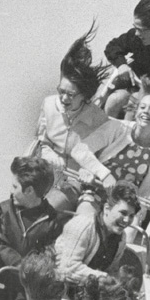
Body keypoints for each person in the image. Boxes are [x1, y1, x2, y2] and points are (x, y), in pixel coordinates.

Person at [69, 78, 150, 218]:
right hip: (97, 192)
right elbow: (79, 150)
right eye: (142, 107)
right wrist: (104, 175)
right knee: (84, 220)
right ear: (136, 110)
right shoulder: (117, 127)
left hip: (128, 206)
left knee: (129, 227)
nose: (146, 112)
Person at [36, 25, 109, 211]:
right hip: (46, 170)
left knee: (47, 208)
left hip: (74, 180)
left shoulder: (98, 119)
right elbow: (42, 143)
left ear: (84, 96)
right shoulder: (48, 104)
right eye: (61, 91)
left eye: (71, 95)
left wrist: (88, 171)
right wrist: (50, 155)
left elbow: (102, 159)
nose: (64, 99)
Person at [0, 156, 68, 300]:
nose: (11, 191)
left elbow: (48, 255)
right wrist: (21, 265)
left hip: (28, 287)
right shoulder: (4, 210)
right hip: (5, 282)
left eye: (15, 187)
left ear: (29, 190)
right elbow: (2, 245)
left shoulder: (52, 222)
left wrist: (28, 271)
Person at [55, 181, 140, 284]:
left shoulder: (121, 238)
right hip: (56, 282)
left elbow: (110, 270)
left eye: (131, 216)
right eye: (123, 213)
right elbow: (66, 269)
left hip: (84, 285)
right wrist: (103, 278)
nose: (127, 220)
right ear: (107, 209)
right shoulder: (83, 226)